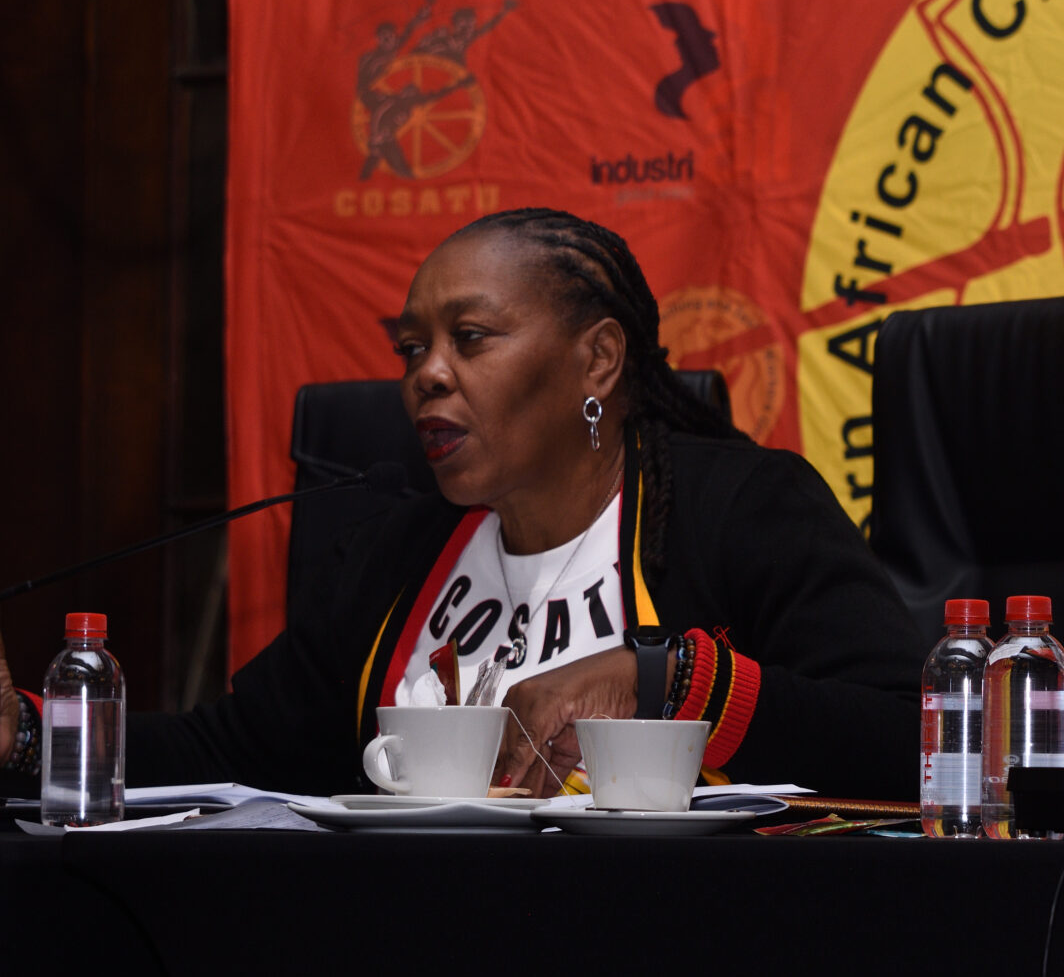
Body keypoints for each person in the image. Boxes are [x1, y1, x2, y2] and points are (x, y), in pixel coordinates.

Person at [0, 208, 924, 800]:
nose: (427, 375)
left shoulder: (744, 510)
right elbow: (231, 748)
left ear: (598, 361)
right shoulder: (399, 552)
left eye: (469, 338)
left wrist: (662, 680)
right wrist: (32, 736)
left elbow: (909, 737)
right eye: (411, 349)